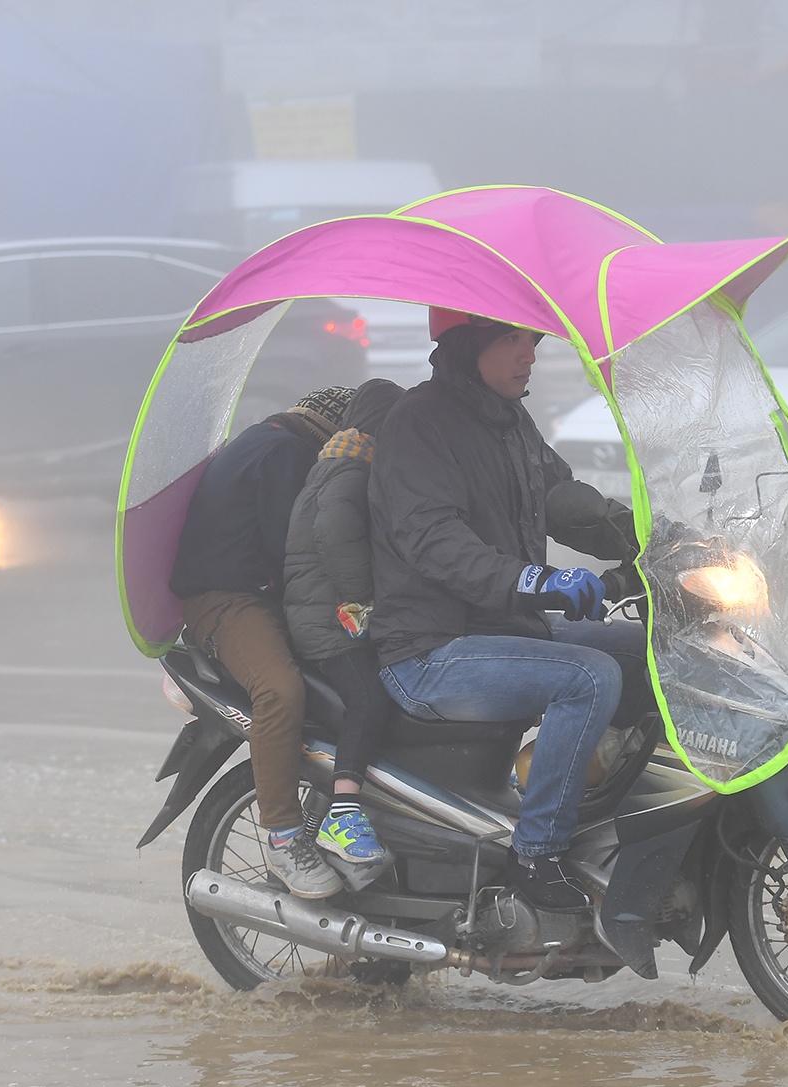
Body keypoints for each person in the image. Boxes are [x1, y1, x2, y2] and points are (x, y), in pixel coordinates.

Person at [369, 310, 648, 911]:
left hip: (500, 628)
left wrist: (657, 542)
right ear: (468, 346)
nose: (529, 354)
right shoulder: (420, 424)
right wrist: (535, 580)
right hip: (431, 650)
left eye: (534, 340)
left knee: (643, 651)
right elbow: (435, 541)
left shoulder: (511, 422)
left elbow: (568, 503)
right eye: (511, 340)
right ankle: (536, 854)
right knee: (589, 676)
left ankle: (604, 815)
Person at [170, 386, 355, 900]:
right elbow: (293, 547)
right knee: (280, 690)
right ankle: (282, 834)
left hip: (263, 594)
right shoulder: (286, 455)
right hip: (228, 602)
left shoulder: (271, 439)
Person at [282, 378, 406, 867]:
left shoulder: (337, 462)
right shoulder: (352, 468)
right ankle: (344, 808)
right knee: (370, 696)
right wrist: (363, 598)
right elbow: (335, 531)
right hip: (327, 625)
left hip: (326, 614)